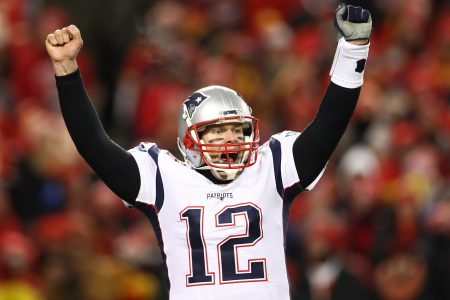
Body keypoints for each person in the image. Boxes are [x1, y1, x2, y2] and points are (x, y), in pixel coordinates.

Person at [45, 3, 372, 300]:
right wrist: (67, 72)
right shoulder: (164, 177)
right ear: (189, 140)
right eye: (216, 132)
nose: (230, 139)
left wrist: (353, 51)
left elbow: (327, 128)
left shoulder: (270, 168)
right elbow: (95, 147)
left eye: (238, 130)